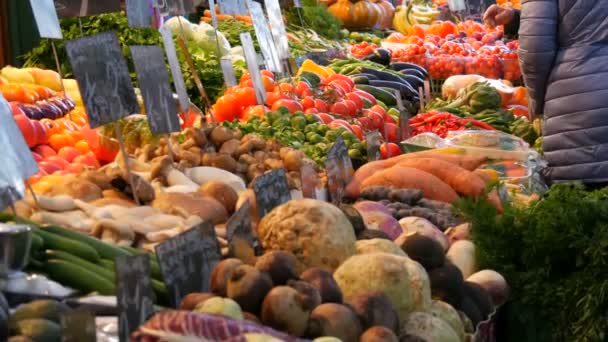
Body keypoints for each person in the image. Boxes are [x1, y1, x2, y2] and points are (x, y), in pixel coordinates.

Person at [484, 2, 608, 187]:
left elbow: (534, 51)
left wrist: (538, 106)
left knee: (582, 204)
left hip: (580, 102)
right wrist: (517, 19)